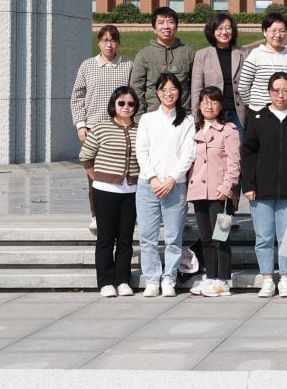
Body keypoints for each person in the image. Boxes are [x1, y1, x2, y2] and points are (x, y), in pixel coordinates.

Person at [239, 71, 287, 298]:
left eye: (285, 90)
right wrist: (248, 184)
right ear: (269, 92)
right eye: (276, 90)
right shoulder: (258, 118)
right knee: (264, 237)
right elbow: (248, 153)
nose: (280, 95)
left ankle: (285, 278)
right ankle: (267, 278)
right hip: (261, 190)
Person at [132, 72, 195, 297]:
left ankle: (169, 278)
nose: (168, 93)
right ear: (157, 93)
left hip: (175, 185)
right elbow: (141, 151)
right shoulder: (147, 119)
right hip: (148, 185)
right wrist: (153, 178)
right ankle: (152, 279)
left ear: (179, 92)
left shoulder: (187, 121)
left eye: (173, 89)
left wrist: (171, 179)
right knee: (147, 236)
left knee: (173, 236)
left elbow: (188, 154)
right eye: (163, 89)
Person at [76, 84, 141, 296]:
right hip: (105, 191)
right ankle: (105, 281)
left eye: (131, 103)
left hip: (131, 191)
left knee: (125, 238)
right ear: (113, 104)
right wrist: (98, 178)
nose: (126, 107)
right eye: (121, 103)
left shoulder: (140, 130)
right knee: (106, 237)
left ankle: (123, 280)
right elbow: (85, 156)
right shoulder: (101, 128)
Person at [72, 24, 135, 236]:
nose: (109, 44)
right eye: (105, 40)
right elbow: (77, 97)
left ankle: (123, 215)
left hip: (122, 128)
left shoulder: (128, 65)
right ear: (98, 42)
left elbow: (134, 97)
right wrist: (81, 124)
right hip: (94, 129)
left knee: (122, 173)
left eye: (113, 40)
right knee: (94, 175)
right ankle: (97, 215)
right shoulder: (88, 66)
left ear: (118, 43)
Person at [187, 85, 240, 296]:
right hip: (198, 192)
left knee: (221, 237)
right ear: (199, 105)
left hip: (219, 193)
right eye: (205, 102)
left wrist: (227, 187)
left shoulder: (228, 130)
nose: (209, 106)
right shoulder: (193, 130)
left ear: (221, 105)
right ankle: (210, 277)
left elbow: (234, 163)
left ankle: (223, 280)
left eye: (214, 101)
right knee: (206, 238)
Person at [232, 11, 287, 115]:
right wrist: (255, 106)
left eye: (282, 31)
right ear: (265, 32)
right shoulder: (255, 55)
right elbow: (243, 87)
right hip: (259, 112)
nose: (278, 35)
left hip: (286, 113)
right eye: (273, 31)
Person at [130, 6, 195, 113]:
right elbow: (136, 88)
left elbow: (196, 86)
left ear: (176, 27)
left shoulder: (188, 53)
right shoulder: (144, 55)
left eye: (170, 22)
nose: (166, 26)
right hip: (153, 115)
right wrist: (140, 116)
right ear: (154, 28)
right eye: (161, 23)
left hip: (183, 115)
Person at [190, 13, 242, 128]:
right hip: (212, 112)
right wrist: (196, 118)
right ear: (212, 31)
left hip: (238, 114)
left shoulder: (244, 53)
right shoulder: (202, 55)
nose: (224, 32)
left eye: (228, 28)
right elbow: (196, 88)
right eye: (220, 28)